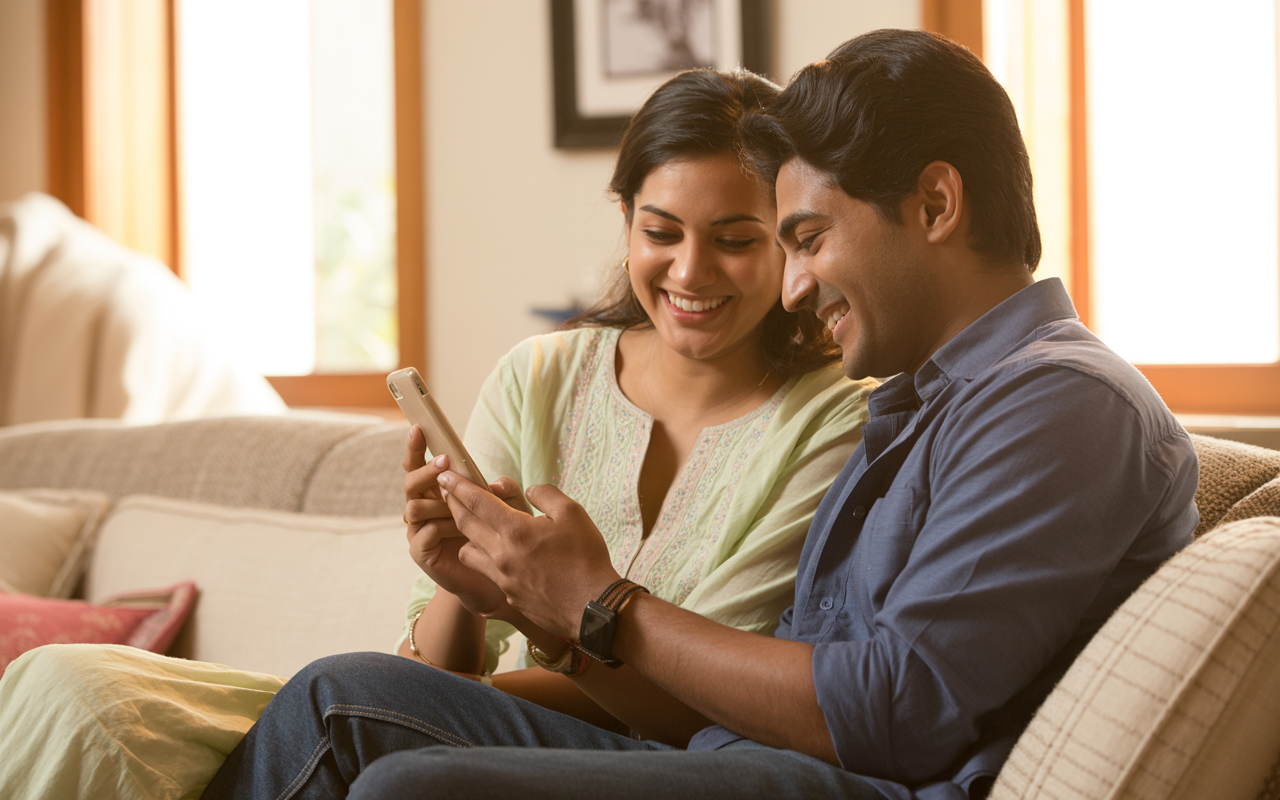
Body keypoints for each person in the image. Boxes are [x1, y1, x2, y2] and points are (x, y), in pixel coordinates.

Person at [200, 28, 1199, 800]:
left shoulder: (1058, 401)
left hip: (863, 786)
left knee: (406, 787)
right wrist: (525, 599)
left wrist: (602, 603)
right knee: (340, 696)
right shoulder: (925, 404)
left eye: (803, 238)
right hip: (745, 759)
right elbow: (754, 695)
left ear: (935, 205)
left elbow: (897, 711)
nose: (794, 287)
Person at [0, 68, 873, 800]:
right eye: (661, 233)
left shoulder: (835, 418)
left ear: (792, 243)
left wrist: (544, 627)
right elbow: (435, 664)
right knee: (72, 686)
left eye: (735, 240)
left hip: (679, 763)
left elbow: (709, 692)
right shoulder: (542, 376)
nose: (689, 271)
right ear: (625, 221)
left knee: (347, 700)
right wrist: (464, 585)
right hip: (451, 727)